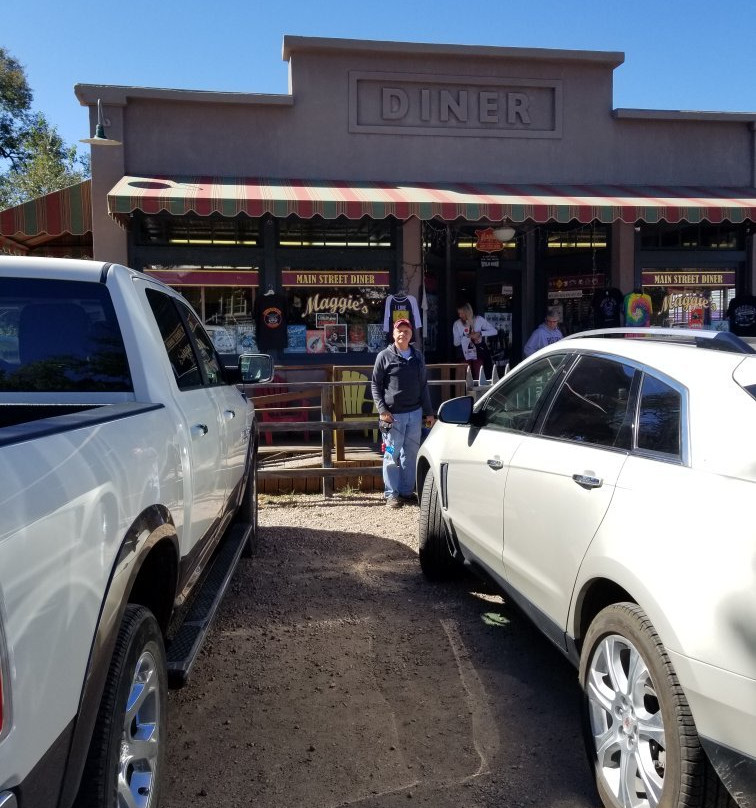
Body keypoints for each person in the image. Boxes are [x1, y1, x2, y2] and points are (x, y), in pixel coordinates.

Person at [371, 319, 436, 508]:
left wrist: (428, 412)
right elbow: (375, 385)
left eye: (406, 331)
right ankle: (391, 494)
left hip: (415, 414)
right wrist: (382, 410)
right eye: (399, 331)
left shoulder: (417, 356)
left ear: (411, 334)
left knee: (411, 453)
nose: (403, 334)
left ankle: (407, 492)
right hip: (392, 416)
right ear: (393, 334)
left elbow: (423, 385)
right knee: (391, 454)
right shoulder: (384, 356)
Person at [452, 302, 497, 378]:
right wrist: (465, 336)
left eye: (462, 313)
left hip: (478, 353)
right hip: (464, 354)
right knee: (466, 377)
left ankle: (479, 390)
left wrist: (480, 333)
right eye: (459, 313)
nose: (460, 315)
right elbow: (456, 343)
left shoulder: (478, 320)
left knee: (479, 375)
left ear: (468, 312)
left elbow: (494, 331)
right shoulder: (457, 324)